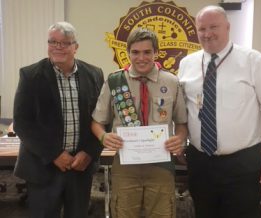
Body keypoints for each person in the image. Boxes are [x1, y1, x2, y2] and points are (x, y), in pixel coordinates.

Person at [178, 5, 261, 218]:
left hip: (242, 163)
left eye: (214, 27)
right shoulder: (187, 64)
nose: (207, 33)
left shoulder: (254, 61)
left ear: (228, 27)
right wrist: (181, 142)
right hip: (200, 161)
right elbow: (184, 110)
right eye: (202, 29)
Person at [91, 27, 188, 218]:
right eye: (135, 52)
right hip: (126, 165)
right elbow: (96, 122)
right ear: (127, 53)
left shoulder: (171, 82)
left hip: (161, 165)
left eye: (147, 52)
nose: (141, 58)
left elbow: (182, 124)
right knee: (124, 213)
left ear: (156, 53)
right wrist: (103, 136)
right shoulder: (115, 81)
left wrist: (180, 139)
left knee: (162, 214)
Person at [13, 21, 104, 218]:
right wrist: (54, 154)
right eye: (53, 42)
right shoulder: (30, 75)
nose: (58, 47)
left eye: (65, 43)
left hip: (80, 167)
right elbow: (22, 123)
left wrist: (89, 152)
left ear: (76, 47)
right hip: (43, 166)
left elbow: (103, 118)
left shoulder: (94, 74)